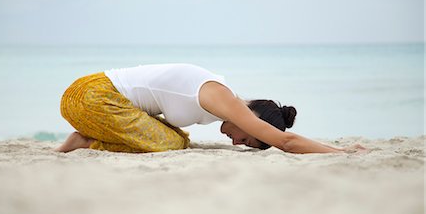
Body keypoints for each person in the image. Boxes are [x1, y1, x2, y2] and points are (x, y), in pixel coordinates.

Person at [56, 63, 364, 154]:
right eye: (249, 138)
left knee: (178, 138)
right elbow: (286, 142)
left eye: (246, 146)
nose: (237, 142)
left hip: (94, 97)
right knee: (175, 142)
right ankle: (85, 140)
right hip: (94, 95)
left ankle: (86, 136)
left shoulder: (219, 99)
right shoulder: (223, 98)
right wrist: (342, 152)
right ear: (254, 118)